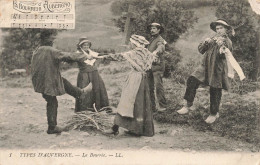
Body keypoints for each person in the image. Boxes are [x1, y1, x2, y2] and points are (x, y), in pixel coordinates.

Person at [177, 19, 245, 124]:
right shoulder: (213, 39)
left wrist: (221, 46)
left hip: (217, 68)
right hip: (204, 67)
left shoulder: (227, 42)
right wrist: (205, 42)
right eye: (217, 28)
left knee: (215, 89)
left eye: (221, 28)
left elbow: (225, 55)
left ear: (226, 29)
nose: (218, 30)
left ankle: (214, 113)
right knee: (192, 80)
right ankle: (187, 105)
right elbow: (201, 50)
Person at [31, 34, 93, 134]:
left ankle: (80, 93)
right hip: (47, 80)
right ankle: (52, 127)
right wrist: (85, 55)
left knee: (62, 81)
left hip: (39, 80)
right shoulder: (50, 50)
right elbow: (68, 56)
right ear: (50, 42)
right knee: (52, 101)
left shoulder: (37, 51)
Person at [103, 35, 155, 136]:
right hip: (143, 80)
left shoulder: (132, 53)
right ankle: (137, 129)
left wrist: (99, 56)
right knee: (139, 103)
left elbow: (117, 56)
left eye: (131, 42)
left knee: (126, 101)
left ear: (135, 43)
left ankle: (115, 128)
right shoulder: (147, 53)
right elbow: (155, 61)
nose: (130, 44)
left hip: (135, 79)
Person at [75, 37, 109, 112]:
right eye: (84, 45)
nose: (86, 47)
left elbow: (99, 55)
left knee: (98, 89)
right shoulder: (78, 54)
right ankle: (85, 109)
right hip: (84, 75)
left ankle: (99, 107)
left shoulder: (91, 52)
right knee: (86, 91)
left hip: (94, 74)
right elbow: (83, 59)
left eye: (87, 45)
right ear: (81, 46)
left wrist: (108, 55)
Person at [147, 23, 167, 112]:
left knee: (158, 86)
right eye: (151, 28)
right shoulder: (152, 40)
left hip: (157, 67)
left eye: (154, 28)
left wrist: (156, 52)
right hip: (149, 66)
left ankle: (162, 106)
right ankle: (152, 107)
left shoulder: (160, 40)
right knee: (149, 87)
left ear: (159, 30)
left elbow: (161, 47)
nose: (152, 30)